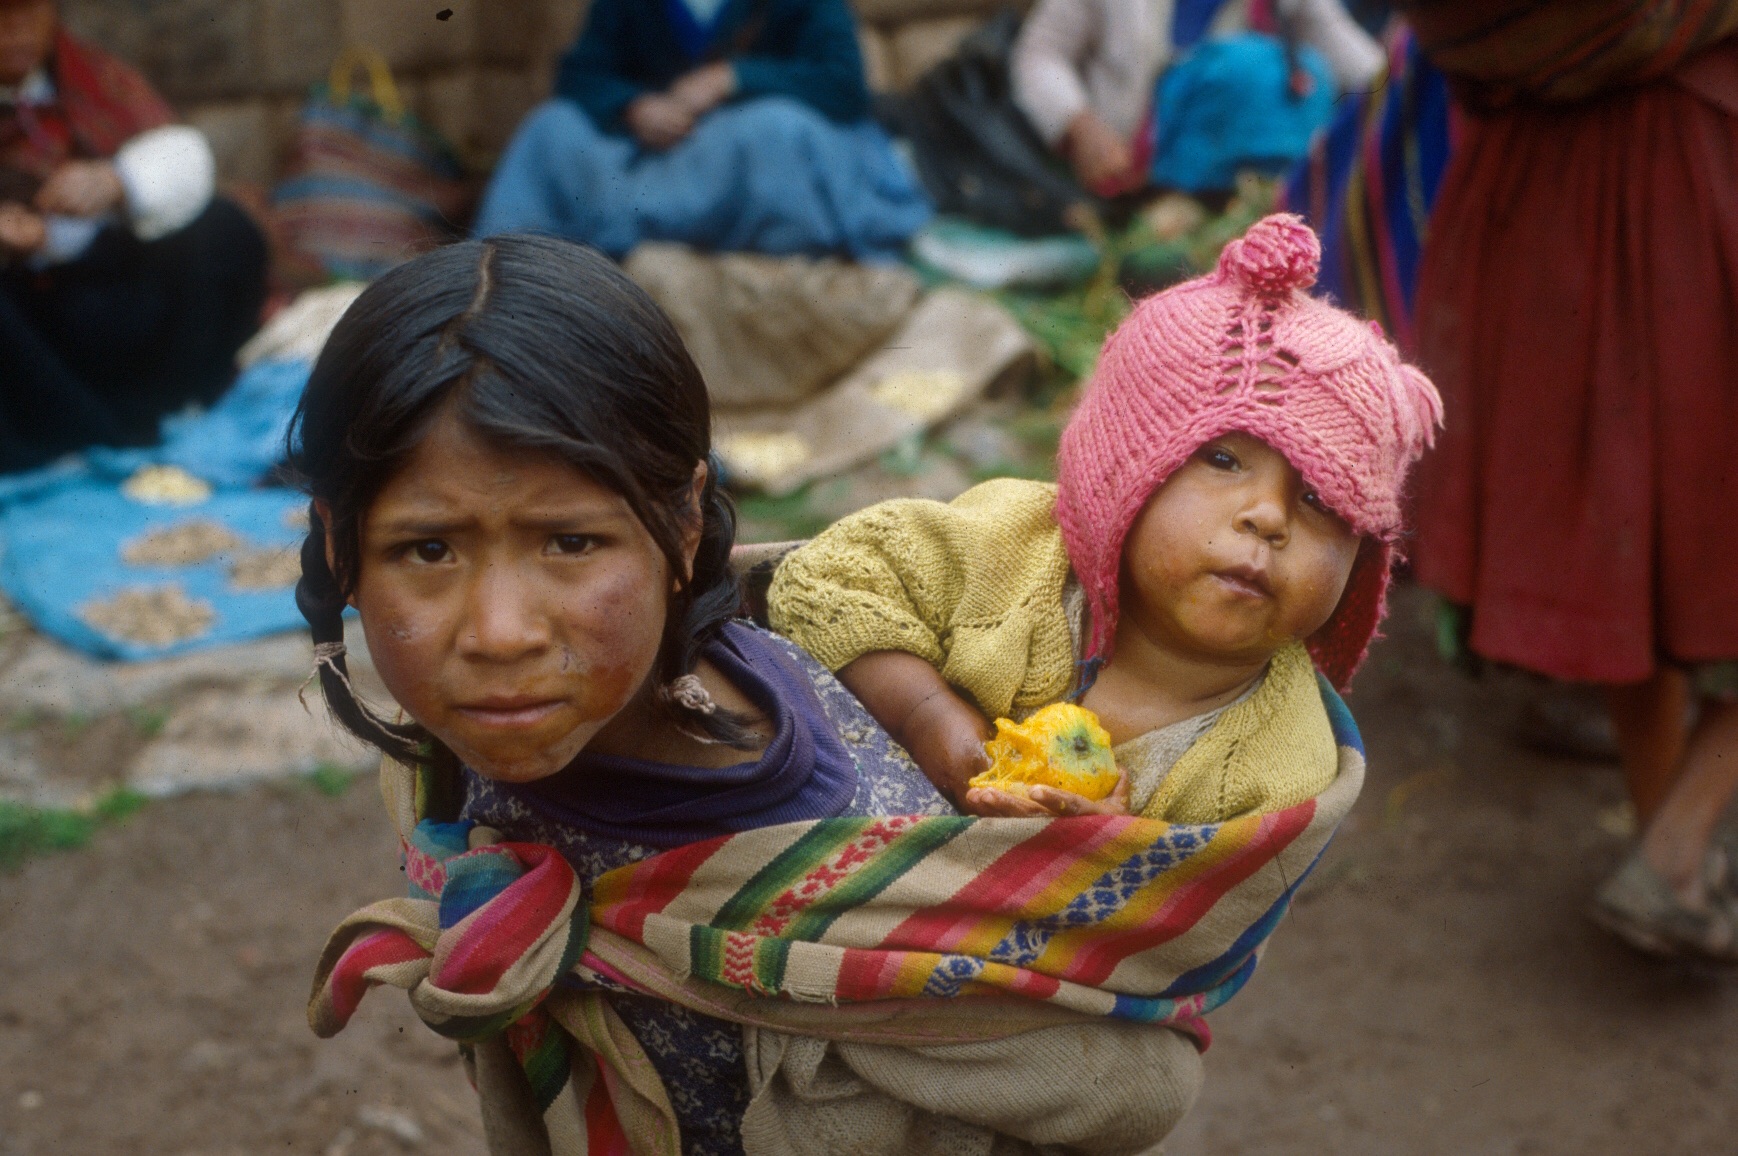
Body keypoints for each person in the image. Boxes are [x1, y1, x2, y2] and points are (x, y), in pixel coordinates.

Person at [296, 234, 1347, 1156]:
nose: (499, 632)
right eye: (426, 549)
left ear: (680, 524)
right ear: (344, 552)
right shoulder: (465, 751)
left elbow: (1122, 1081)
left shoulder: (826, 826)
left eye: (571, 542)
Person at [769, 214, 1441, 823]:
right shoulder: (1004, 541)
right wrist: (926, 716)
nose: (1267, 517)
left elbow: (1196, 918)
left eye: (1321, 500)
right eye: (1222, 459)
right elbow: (817, 583)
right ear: (1120, 473)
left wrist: (1114, 858)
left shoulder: (1279, 770)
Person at [1398, 0, 1738, 961]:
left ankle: (1666, 837)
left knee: (1635, 537)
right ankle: (1679, 847)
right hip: (1689, 173)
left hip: (1537, 196)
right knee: (1687, 531)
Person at [0, 0, 267, 474]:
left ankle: (168, 414)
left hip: (108, 284)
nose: (16, 30)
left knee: (226, 229)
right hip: (28, 328)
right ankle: (89, 441)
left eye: (30, 13)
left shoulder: (92, 80)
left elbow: (182, 160)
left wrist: (117, 181)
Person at [473, 0, 930, 260]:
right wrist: (633, 106)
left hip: (746, 162)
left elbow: (843, 86)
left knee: (774, 131)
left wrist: (733, 79)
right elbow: (581, 74)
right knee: (551, 127)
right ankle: (497, 276)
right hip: (654, 162)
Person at [1011, 0, 1385, 198]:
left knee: (1303, 72)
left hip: (1240, 183)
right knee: (1249, 67)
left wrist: (1406, 85)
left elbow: (1359, 64)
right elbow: (1040, 54)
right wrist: (1080, 125)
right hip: (1125, 166)